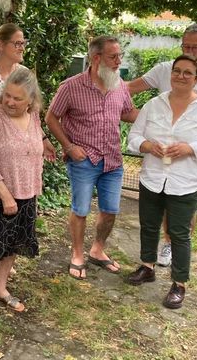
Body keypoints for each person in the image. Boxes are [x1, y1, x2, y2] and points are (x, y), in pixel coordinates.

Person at [127, 23, 197, 267]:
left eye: (196, 47)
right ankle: (148, 265)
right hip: (157, 164)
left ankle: (171, 251)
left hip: (188, 166)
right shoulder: (163, 74)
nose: (191, 51)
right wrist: (116, 106)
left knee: (180, 221)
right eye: (186, 46)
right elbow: (130, 88)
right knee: (151, 217)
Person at [0, 23, 56, 275]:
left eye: (23, 43)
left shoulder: (24, 72)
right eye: (17, 43)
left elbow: (32, 111)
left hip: (16, 145)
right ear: (1, 44)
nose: (21, 47)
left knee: (10, 205)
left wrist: (43, 139)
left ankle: (2, 256)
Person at [46, 36, 138, 280]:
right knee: (81, 210)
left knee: (110, 210)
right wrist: (68, 145)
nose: (119, 61)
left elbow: (128, 113)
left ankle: (97, 249)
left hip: (113, 160)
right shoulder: (71, 86)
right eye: (113, 56)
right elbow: (51, 117)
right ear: (97, 58)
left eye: (119, 56)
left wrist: (161, 113)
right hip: (84, 160)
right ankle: (77, 254)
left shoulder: (119, 85)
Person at [0, 68, 45, 319]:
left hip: (27, 190)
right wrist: (5, 196)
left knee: (14, 242)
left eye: (17, 99)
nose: (10, 102)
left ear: (31, 101)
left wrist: (33, 189)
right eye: (8, 96)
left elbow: (34, 152)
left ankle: (0, 287)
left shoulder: (34, 115)